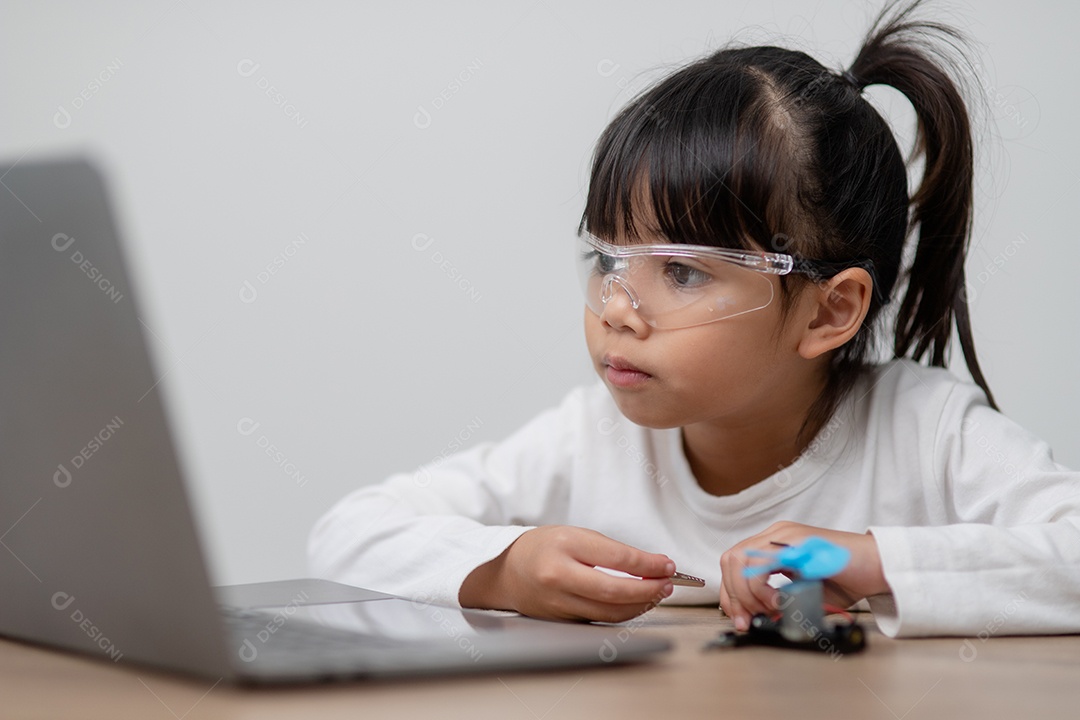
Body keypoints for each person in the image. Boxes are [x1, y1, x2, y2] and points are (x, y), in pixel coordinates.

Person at [308, 1, 1080, 638]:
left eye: (681, 271)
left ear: (829, 310)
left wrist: (871, 562)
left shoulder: (926, 432)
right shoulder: (589, 442)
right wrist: (505, 570)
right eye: (607, 259)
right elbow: (347, 534)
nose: (618, 309)